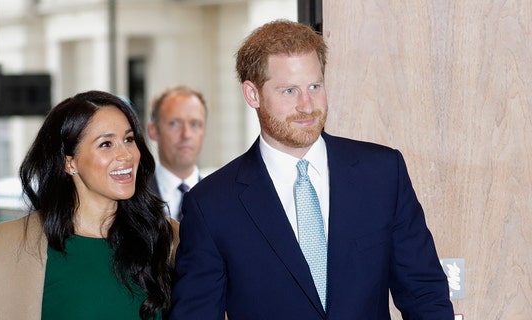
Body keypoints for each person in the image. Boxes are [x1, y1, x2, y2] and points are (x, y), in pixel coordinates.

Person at [169, 19, 454, 319]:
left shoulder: (382, 174)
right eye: (289, 91)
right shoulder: (211, 204)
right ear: (252, 94)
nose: (307, 105)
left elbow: (425, 294)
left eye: (315, 86)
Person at [0, 90, 178, 319]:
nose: (126, 155)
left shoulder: (169, 239)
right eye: (106, 144)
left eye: (129, 139)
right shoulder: (13, 245)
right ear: (69, 163)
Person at [147, 85, 207, 221]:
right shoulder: (131, 199)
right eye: (174, 123)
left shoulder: (220, 199)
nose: (186, 134)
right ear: (153, 131)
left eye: (195, 124)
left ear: (204, 132)